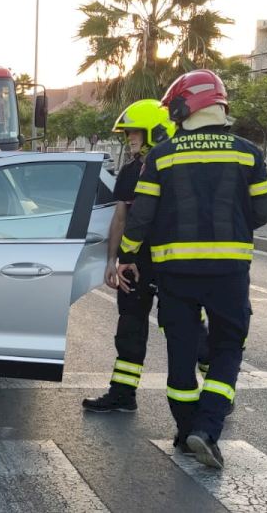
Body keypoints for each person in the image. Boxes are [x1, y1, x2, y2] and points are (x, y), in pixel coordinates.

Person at [116, 69, 267, 469]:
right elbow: (263, 212)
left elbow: (141, 217)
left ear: (184, 107)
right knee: (227, 348)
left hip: (176, 273)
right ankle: (206, 429)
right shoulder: (248, 153)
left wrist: (127, 255)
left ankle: (185, 430)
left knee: (181, 351)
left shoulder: (162, 155)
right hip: (229, 273)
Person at [83, 99, 194, 413]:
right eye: (128, 133)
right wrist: (112, 260)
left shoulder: (179, 169)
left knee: (185, 328)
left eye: (135, 132)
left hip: (174, 263)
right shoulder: (130, 171)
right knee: (130, 328)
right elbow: (120, 217)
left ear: (155, 132)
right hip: (136, 263)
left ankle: (216, 390)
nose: (129, 138)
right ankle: (123, 394)